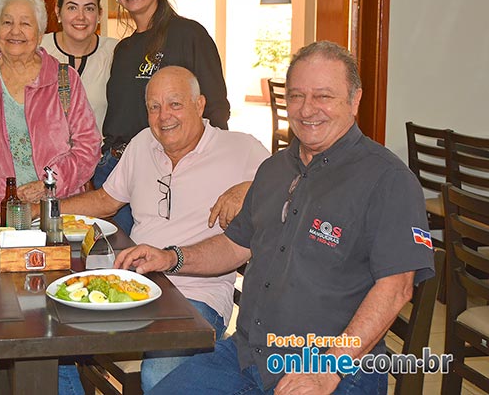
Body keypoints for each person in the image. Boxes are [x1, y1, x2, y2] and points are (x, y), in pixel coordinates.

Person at [116, 42, 436, 395]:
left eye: (324, 96)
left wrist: (328, 368)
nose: (307, 109)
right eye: (297, 95)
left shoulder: (388, 179)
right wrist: (170, 257)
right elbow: (234, 246)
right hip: (246, 355)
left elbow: (396, 288)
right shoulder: (274, 170)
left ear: (355, 99)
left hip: (333, 369)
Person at [58, 66, 269, 393]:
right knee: (48, 342)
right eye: (153, 107)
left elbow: (296, 187)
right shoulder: (143, 142)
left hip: (195, 298)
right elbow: (104, 200)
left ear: (199, 105)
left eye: (174, 104)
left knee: (161, 376)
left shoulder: (241, 149)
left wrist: (250, 188)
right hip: (133, 288)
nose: (163, 116)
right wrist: (45, 210)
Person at [97, 0, 231, 235]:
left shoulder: (189, 35)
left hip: (165, 174)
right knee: (114, 266)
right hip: (115, 171)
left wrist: (202, 170)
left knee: (150, 265)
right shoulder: (123, 49)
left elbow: (217, 111)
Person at [0, 0, 100, 214]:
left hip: (55, 210)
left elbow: (88, 147)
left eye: (25, 23)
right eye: (7, 22)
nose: (15, 31)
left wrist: (49, 184)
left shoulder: (64, 79)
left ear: (40, 34)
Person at [41, 0, 118, 133]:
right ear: (58, 12)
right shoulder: (39, 49)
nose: (81, 16)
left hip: (98, 154)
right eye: (72, 8)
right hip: (44, 155)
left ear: (99, 14)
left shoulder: (115, 52)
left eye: (89, 8)